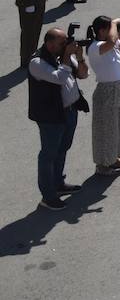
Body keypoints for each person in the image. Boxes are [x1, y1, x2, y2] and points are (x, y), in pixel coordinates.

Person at [28, 26, 89, 210]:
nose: (66, 45)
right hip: (50, 116)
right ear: (49, 44)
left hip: (69, 111)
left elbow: (83, 74)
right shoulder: (37, 63)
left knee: (63, 148)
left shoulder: (63, 55)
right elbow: (60, 78)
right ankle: (48, 196)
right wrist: (66, 56)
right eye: (62, 43)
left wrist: (78, 56)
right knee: (48, 154)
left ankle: (58, 184)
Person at [88, 15, 120, 176]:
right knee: (105, 129)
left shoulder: (113, 42)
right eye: (110, 28)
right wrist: (114, 23)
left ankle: (114, 158)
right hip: (106, 90)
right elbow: (110, 42)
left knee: (119, 125)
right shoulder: (95, 46)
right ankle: (102, 164)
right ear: (102, 31)